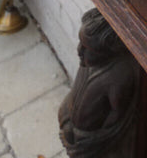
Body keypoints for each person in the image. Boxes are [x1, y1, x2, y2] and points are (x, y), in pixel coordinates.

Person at [59, 9, 139, 158]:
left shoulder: (117, 77)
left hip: (92, 144)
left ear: (105, 52)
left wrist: (88, 143)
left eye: (87, 48)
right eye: (80, 43)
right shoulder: (89, 65)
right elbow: (75, 92)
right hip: (75, 133)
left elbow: (117, 121)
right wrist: (65, 120)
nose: (79, 50)